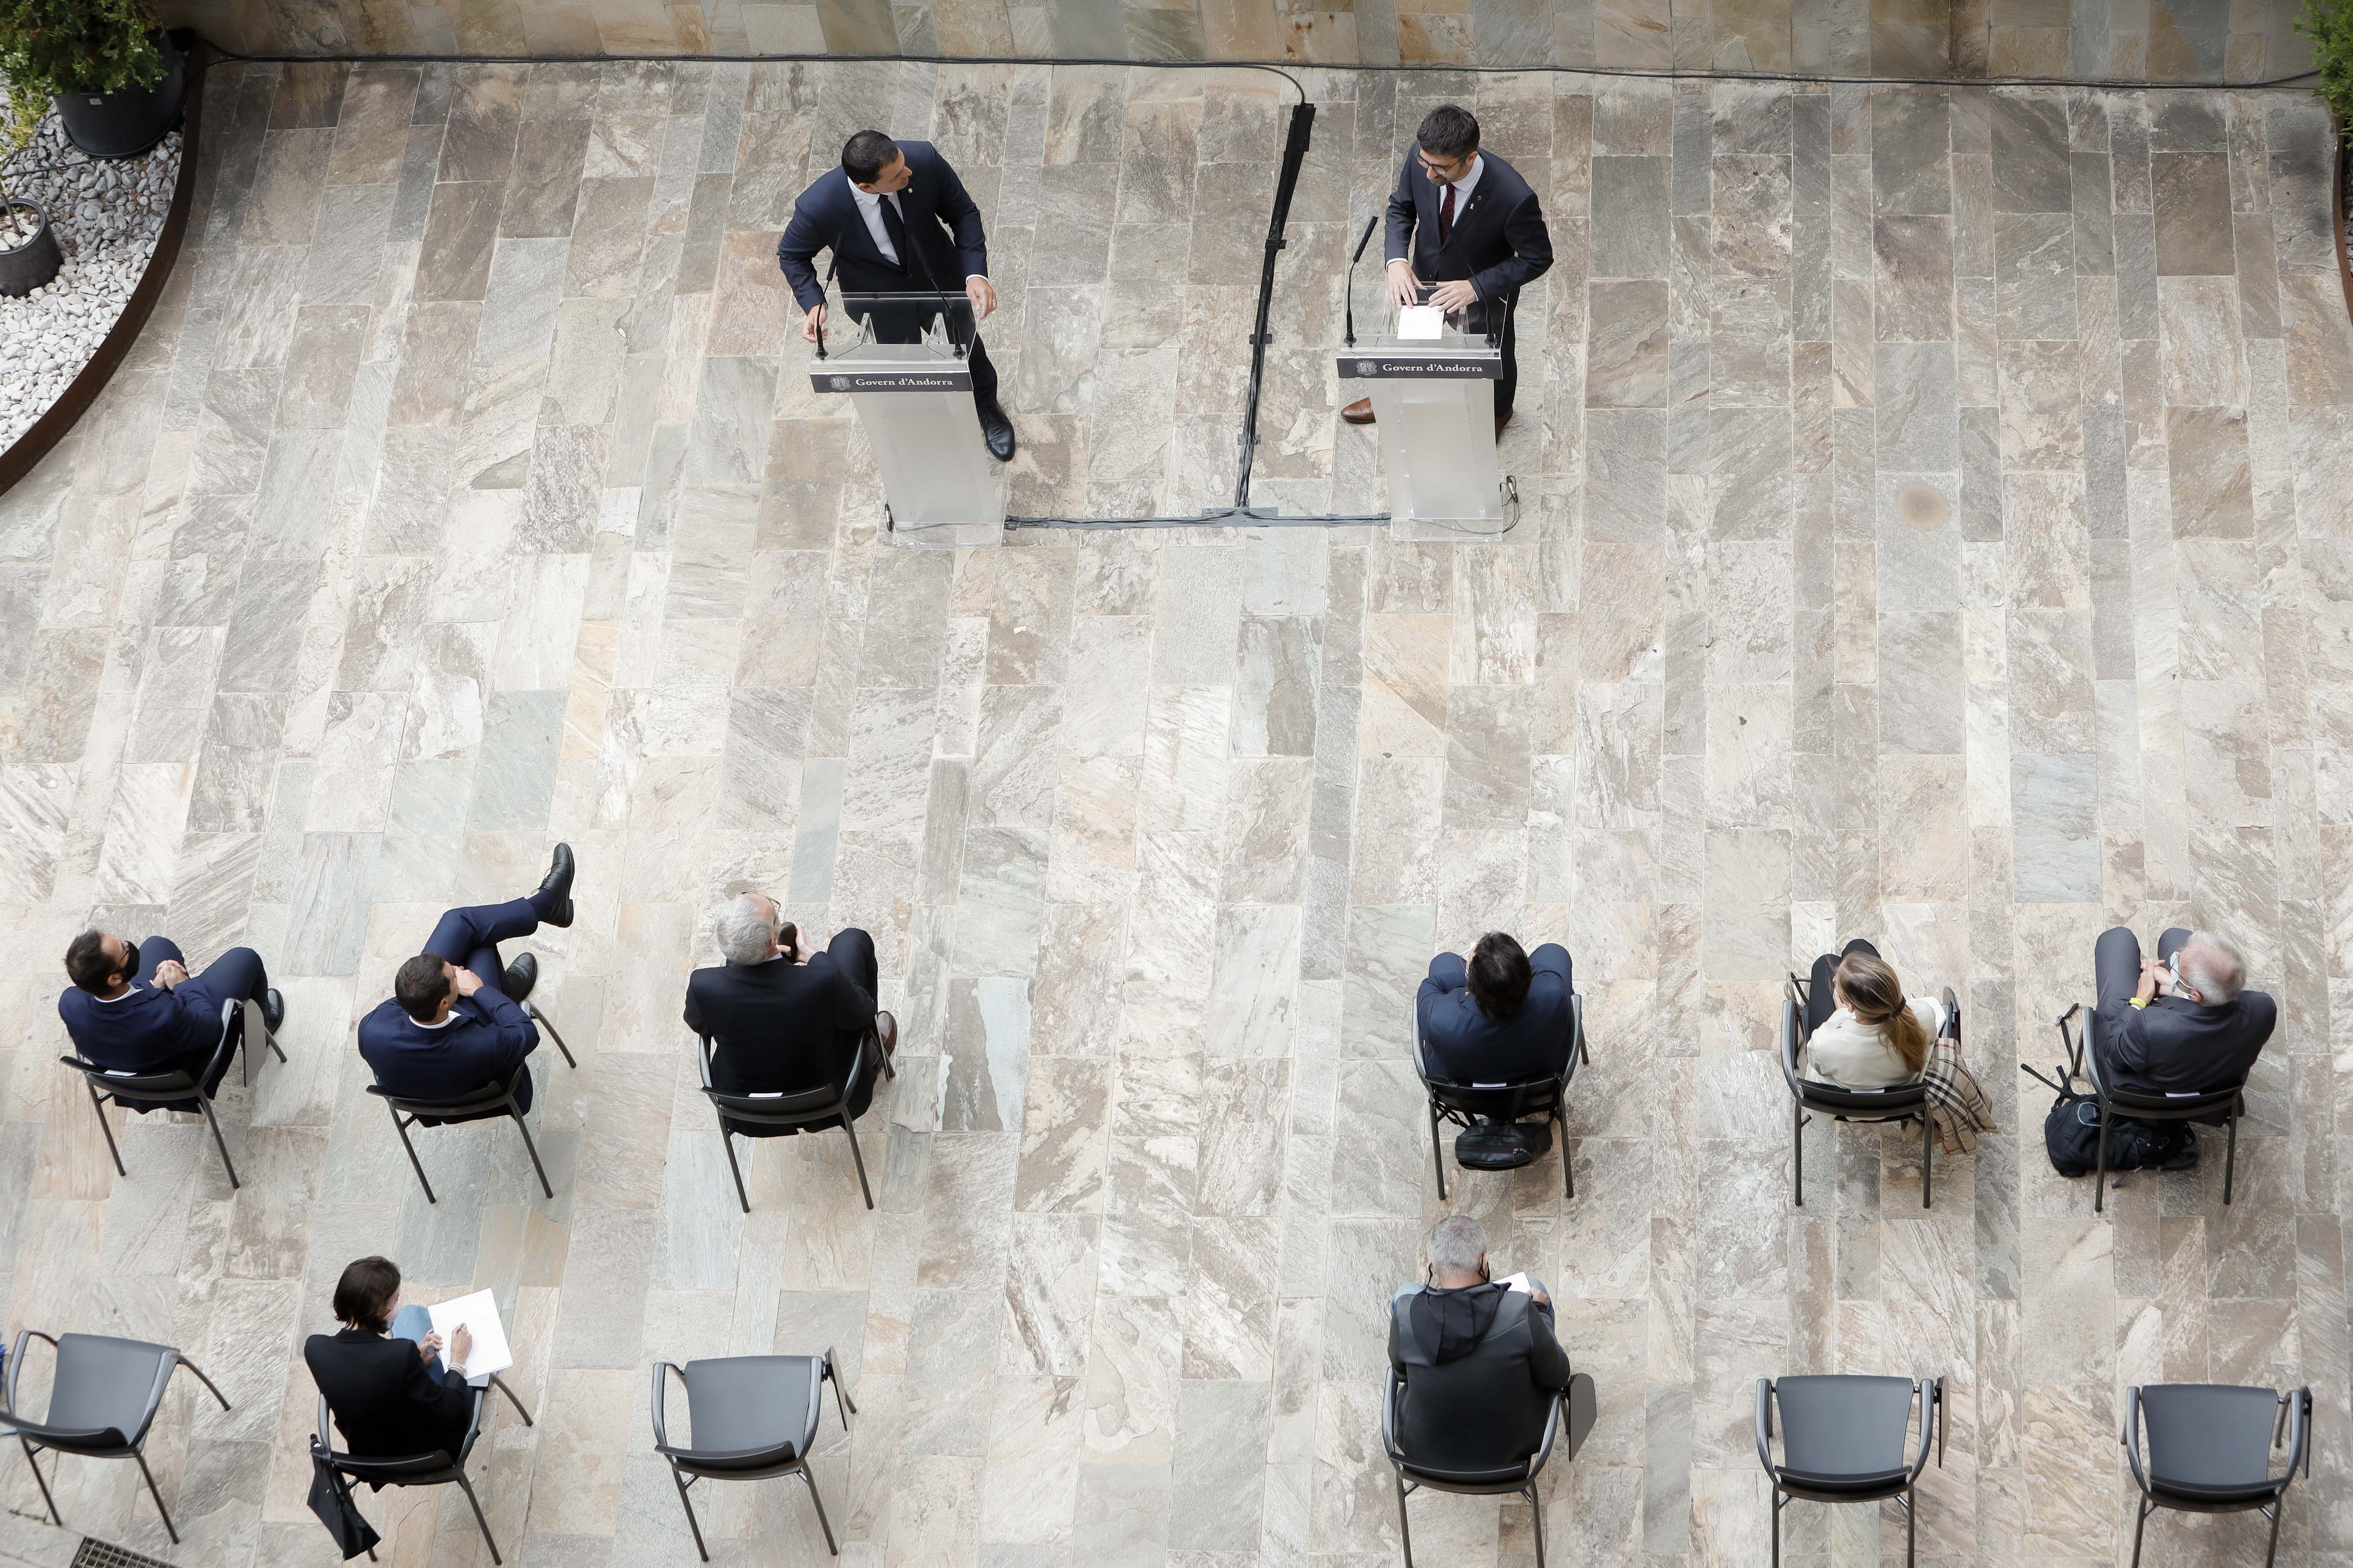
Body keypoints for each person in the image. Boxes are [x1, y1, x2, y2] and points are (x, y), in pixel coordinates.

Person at [777, 129, 1017, 461]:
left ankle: (986, 408)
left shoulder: (923, 160)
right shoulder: (819, 205)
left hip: (941, 285)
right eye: (897, 176)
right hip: (880, 305)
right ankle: (926, 426)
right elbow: (791, 254)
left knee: (968, 352)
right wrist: (814, 302)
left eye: (903, 165)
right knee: (906, 367)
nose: (909, 174)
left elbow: (963, 214)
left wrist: (975, 273)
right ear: (867, 187)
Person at [1345, 104, 1554, 436]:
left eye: (1440, 169)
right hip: (1423, 277)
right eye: (1424, 164)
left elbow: (1537, 258)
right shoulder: (1424, 155)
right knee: (1411, 343)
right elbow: (1401, 208)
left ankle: (1499, 411)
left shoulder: (1514, 197)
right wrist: (1396, 261)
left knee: (1495, 354)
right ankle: (1393, 395)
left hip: (1482, 295)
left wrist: (1475, 287)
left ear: (1470, 158)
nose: (1429, 175)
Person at [356, 845, 575, 1122]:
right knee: (480, 944)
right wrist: (481, 991)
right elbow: (527, 1033)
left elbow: (405, 1003)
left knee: (458, 922)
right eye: (454, 975)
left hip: (429, 1092)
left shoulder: (371, 1030)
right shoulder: (483, 1045)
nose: (457, 968)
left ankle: (546, 907)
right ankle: (506, 987)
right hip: (492, 1090)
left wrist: (451, 982)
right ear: (445, 1003)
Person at [683, 894, 896, 1134]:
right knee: (851, 941)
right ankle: (872, 1052)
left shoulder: (704, 986)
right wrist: (814, 956)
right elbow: (862, 1012)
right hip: (830, 1100)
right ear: (774, 939)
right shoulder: (822, 981)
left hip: (746, 1110)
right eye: (776, 915)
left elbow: (699, 1023)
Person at [1388, 1214, 1570, 1470]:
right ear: (1484, 1261)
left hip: (1424, 1453)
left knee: (1403, 1292)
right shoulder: (1519, 1310)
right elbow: (1559, 1375)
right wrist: (1539, 1312)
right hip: (1509, 1453)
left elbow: (1400, 1372)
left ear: (1434, 1266)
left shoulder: (1406, 1314)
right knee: (1536, 1287)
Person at [58, 928, 284, 1104]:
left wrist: (151, 987)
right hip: (185, 1073)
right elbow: (212, 1026)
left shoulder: (69, 1003)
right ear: (115, 979)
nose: (129, 945)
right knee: (245, 959)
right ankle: (260, 1030)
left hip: (130, 1070)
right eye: (124, 950)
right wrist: (183, 986)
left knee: (158, 944)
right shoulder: (165, 1014)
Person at [304, 1256, 476, 1462]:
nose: (397, 1307)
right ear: (378, 1309)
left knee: (409, 1314)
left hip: (370, 1459)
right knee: (414, 1317)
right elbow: (448, 1414)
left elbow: (371, 1377)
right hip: (429, 1453)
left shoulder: (314, 1348)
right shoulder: (400, 1354)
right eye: (394, 1301)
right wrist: (457, 1361)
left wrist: (416, 1362)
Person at [2093, 926, 2274, 1104]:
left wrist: (2141, 999)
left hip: (2151, 1094)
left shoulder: (2148, 1026)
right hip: (2218, 1088)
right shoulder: (2264, 1008)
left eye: (2178, 967)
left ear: (2196, 995)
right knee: (2175, 935)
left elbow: (2113, 1054)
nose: (2177, 955)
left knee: (2117, 939)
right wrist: (2177, 989)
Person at [1415, 933, 1573, 1084]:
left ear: (1471, 987)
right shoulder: (1555, 997)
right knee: (1553, 952)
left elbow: (1431, 986)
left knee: (1443, 961)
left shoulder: (1439, 1021)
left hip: (1466, 1096)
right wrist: (1505, 978)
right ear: (1528, 977)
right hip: (1537, 1087)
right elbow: (1552, 968)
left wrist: (1473, 978)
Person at [1799, 940, 1936, 1089]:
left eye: (1837, 985)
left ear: (1851, 1006)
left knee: (1823, 963)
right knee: (1857, 945)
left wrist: (1840, 1014)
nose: (1833, 978)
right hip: (1901, 1103)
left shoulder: (1824, 1044)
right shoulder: (1925, 1017)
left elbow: (1816, 1063)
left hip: (1845, 1108)